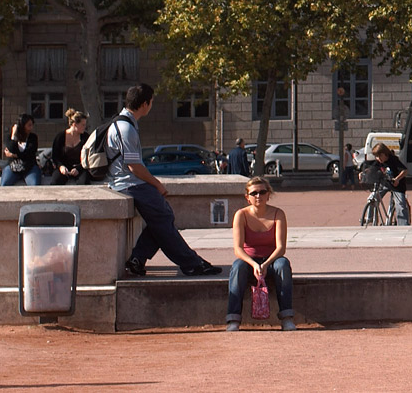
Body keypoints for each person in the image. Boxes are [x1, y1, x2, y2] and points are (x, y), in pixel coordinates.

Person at [110, 84, 221, 278]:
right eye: (151, 102)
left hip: (126, 182)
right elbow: (134, 166)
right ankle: (191, 263)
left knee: (162, 218)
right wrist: (157, 184)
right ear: (145, 104)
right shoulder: (126, 128)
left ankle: (138, 259)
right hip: (129, 184)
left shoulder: (122, 124)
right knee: (163, 218)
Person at [225, 177, 295, 331]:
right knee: (237, 267)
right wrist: (255, 264)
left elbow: (281, 248)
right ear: (247, 197)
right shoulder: (241, 215)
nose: (258, 196)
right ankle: (233, 319)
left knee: (283, 264)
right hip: (249, 261)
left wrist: (265, 264)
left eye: (262, 192)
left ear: (268, 194)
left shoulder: (278, 214)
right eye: (254, 193)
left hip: (272, 260)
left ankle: (287, 317)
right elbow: (238, 249)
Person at [369, 143, 412, 225]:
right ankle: (369, 220)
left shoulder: (394, 160)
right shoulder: (379, 161)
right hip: (385, 184)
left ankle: (403, 225)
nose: (378, 159)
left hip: (397, 186)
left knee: (400, 205)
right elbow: (372, 169)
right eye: (376, 157)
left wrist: (397, 179)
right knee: (372, 198)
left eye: (379, 156)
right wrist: (363, 173)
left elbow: (405, 171)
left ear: (384, 154)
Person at [47, 110, 88, 185]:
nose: (85, 127)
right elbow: (55, 156)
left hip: (80, 167)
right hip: (64, 167)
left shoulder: (85, 137)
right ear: (74, 124)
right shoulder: (60, 137)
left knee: (84, 182)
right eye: (83, 125)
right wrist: (61, 167)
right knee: (55, 182)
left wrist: (78, 168)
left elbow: (88, 157)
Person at [1, 114, 40, 187]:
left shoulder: (33, 137)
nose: (31, 128)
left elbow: (30, 153)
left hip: (29, 167)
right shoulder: (10, 137)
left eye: (32, 125)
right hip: (13, 166)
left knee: (34, 185)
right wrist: (13, 135)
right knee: (4, 185)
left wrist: (15, 155)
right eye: (29, 125)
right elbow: (11, 148)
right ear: (22, 125)